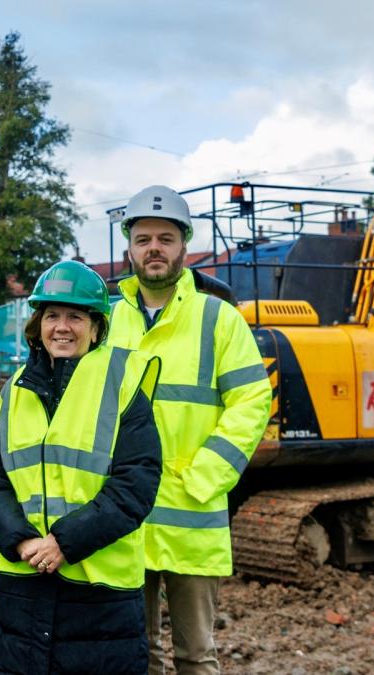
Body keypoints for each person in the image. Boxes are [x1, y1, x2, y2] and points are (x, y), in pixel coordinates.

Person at [105, 186, 272, 675]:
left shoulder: (217, 318)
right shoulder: (108, 319)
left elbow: (252, 399)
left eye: (165, 238)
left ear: (184, 246)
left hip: (190, 514)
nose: (153, 248)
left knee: (196, 656)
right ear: (129, 249)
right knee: (138, 652)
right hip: (125, 514)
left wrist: (205, 476)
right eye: (143, 239)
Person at [0, 261, 163, 675]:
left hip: (99, 596)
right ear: (38, 324)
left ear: (96, 327)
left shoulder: (123, 382)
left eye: (75, 316)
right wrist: (22, 541)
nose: (63, 327)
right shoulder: (14, 392)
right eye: (53, 316)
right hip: (23, 586)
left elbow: (135, 484)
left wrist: (63, 542)